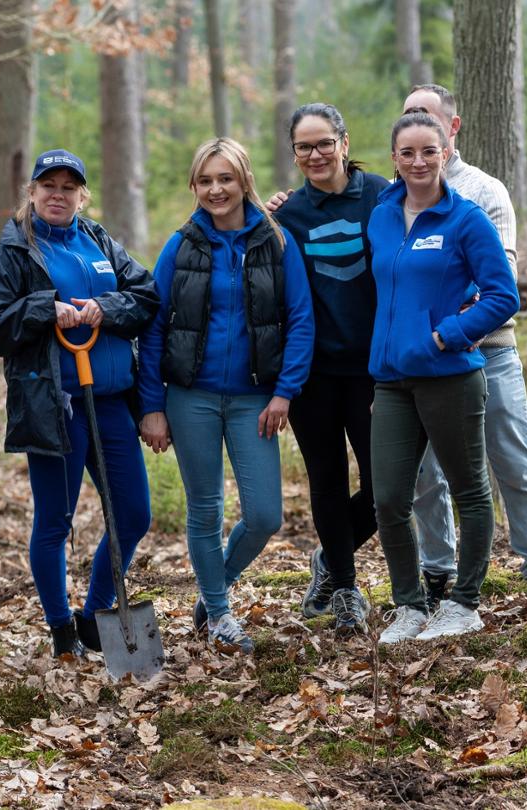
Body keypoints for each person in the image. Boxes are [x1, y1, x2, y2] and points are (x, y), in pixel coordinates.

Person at [0, 149, 159, 659]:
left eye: (68, 187)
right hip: (56, 404)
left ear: (82, 194)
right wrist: (44, 309)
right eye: (48, 186)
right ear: (31, 193)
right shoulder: (14, 251)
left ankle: (96, 613)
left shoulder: (97, 239)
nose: (58, 195)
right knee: (55, 521)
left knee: (134, 514)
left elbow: (145, 294)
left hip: (112, 404)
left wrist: (105, 307)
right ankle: (61, 629)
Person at [137, 138, 314, 653]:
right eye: (206, 180)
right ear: (195, 186)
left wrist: (284, 393)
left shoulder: (277, 241)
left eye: (226, 179)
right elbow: (153, 328)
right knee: (205, 509)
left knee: (264, 515)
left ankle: (214, 588)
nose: (217, 189)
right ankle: (219, 614)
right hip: (190, 397)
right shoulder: (181, 244)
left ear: (244, 182)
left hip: (255, 399)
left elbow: (300, 320)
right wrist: (151, 406)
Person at [397, 83, 527, 613]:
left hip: (487, 351)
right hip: (419, 365)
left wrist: (446, 332)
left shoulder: (483, 192)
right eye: (409, 116)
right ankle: (438, 573)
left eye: (428, 116)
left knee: (511, 459)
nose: (419, 124)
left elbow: (500, 281)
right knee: (424, 473)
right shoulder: (394, 196)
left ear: (453, 128)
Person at [368, 113, 521, 644]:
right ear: (394, 157)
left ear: (445, 152)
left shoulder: (466, 220)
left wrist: (446, 335)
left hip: (450, 378)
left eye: (428, 151)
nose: (418, 162)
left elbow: (504, 295)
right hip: (390, 381)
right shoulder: (382, 216)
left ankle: (464, 603)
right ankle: (409, 606)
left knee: (469, 490)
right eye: (407, 152)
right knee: (388, 497)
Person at [273, 103, 392, 634]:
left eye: (324, 143)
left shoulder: (383, 196)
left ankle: (329, 557)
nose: (316, 154)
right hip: (314, 372)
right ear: (294, 153)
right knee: (325, 477)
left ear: (344, 143)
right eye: (304, 146)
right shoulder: (287, 214)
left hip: (375, 369)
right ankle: (345, 588)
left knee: (387, 485)